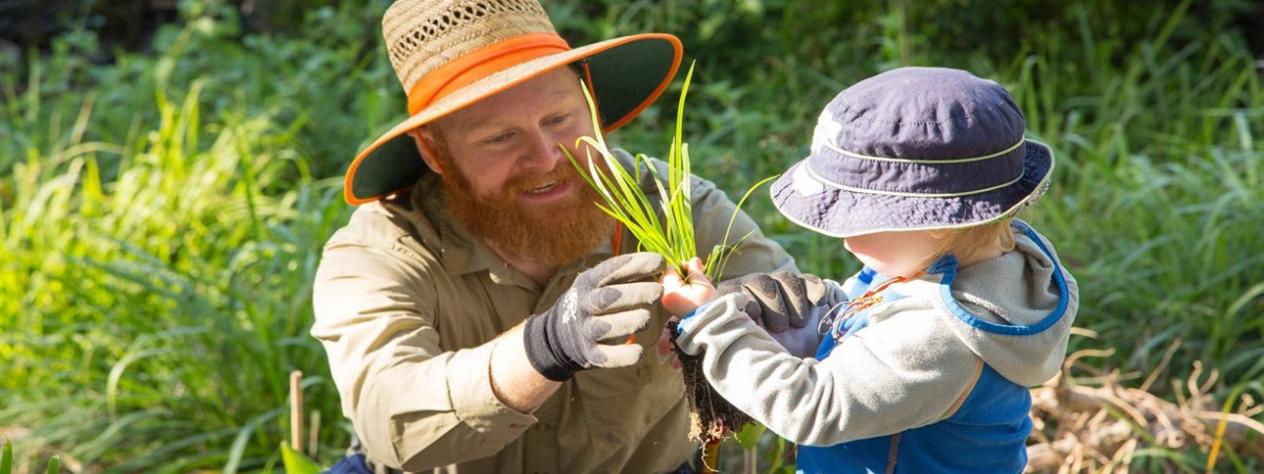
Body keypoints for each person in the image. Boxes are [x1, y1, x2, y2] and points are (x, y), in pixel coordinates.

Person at [310, 1, 824, 472]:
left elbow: (826, 335)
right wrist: (545, 346)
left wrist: (763, 314)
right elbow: (388, 417)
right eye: (500, 138)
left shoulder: (675, 210)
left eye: (559, 119)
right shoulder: (382, 251)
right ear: (433, 152)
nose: (547, 158)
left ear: (591, 105)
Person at [661, 67, 1080, 473]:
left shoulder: (943, 340)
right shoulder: (948, 267)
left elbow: (814, 408)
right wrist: (780, 320)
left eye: (855, 218)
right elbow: (871, 325)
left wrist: (713, 325)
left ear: (934, 223)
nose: (843, 239)